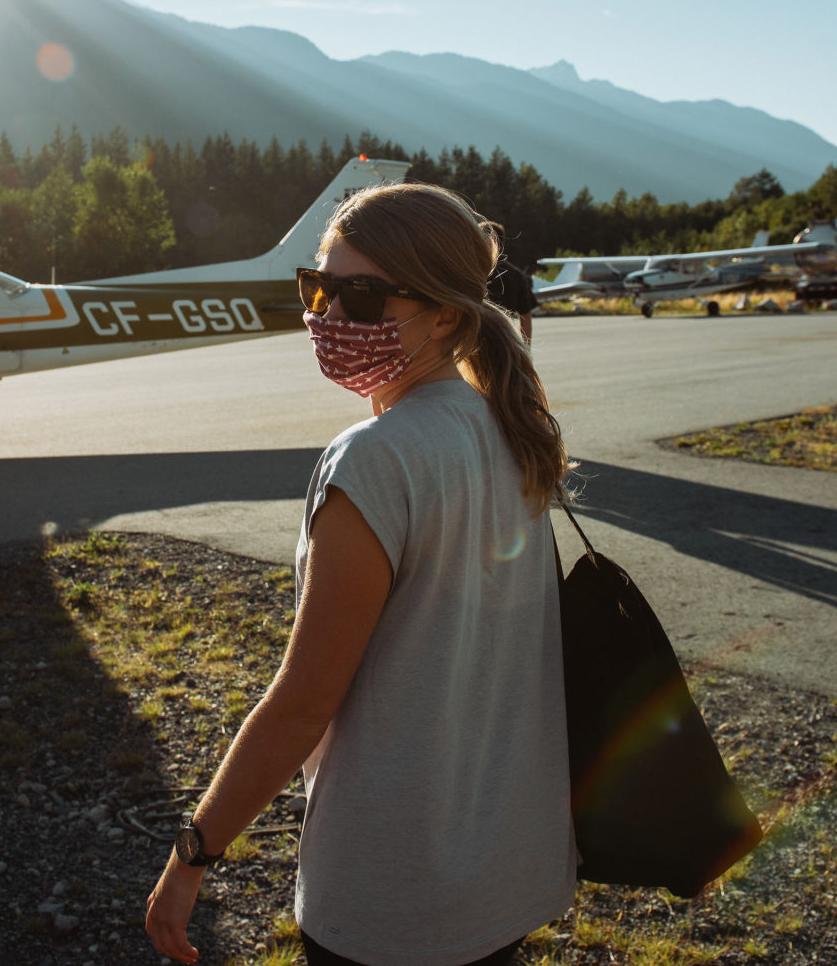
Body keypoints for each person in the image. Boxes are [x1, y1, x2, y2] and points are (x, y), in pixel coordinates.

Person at [146, 183, 576, 966]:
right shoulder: (506, 430)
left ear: (446, 314)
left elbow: (304, 702)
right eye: (320, 288)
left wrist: (190, 856)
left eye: (365, 297)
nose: (330, 318)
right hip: (497, 875)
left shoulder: (373, 460)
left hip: (392, 899)